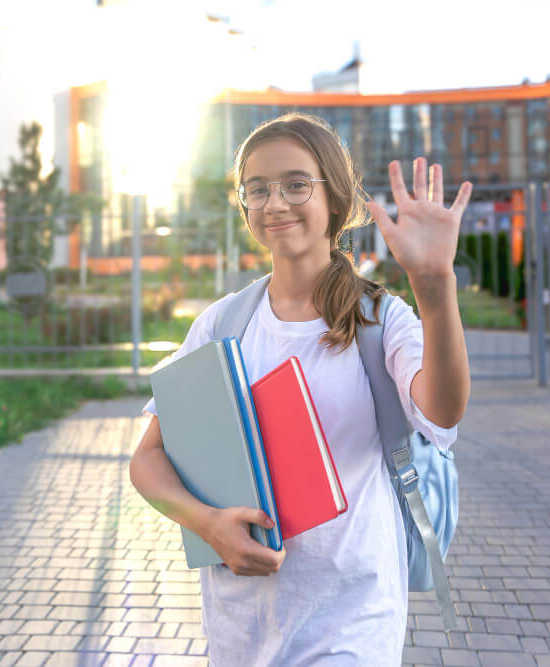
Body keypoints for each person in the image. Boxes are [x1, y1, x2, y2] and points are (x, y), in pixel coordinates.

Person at [129, 112, 471, 665]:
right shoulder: (221, 325)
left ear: (334, 197)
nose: (275, 203)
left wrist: (435, 287)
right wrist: (208, 524)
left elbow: (444, 411)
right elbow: (147, 460)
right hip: (242, 622)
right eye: (257, 189)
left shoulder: (381, 319)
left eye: (295, 184)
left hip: (353, 613)